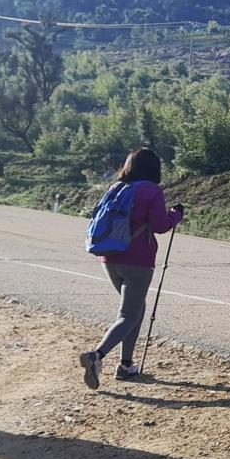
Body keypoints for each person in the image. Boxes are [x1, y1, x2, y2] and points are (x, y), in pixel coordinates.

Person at [79, 148, 184, 389]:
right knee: (128, 315)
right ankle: (96, 355)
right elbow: (160, 226)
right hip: (138, 259)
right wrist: (176, 215)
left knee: (136, 309)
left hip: (109, 257)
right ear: (154, 168)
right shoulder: (152, 191)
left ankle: (126, 365)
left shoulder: (116, 188)